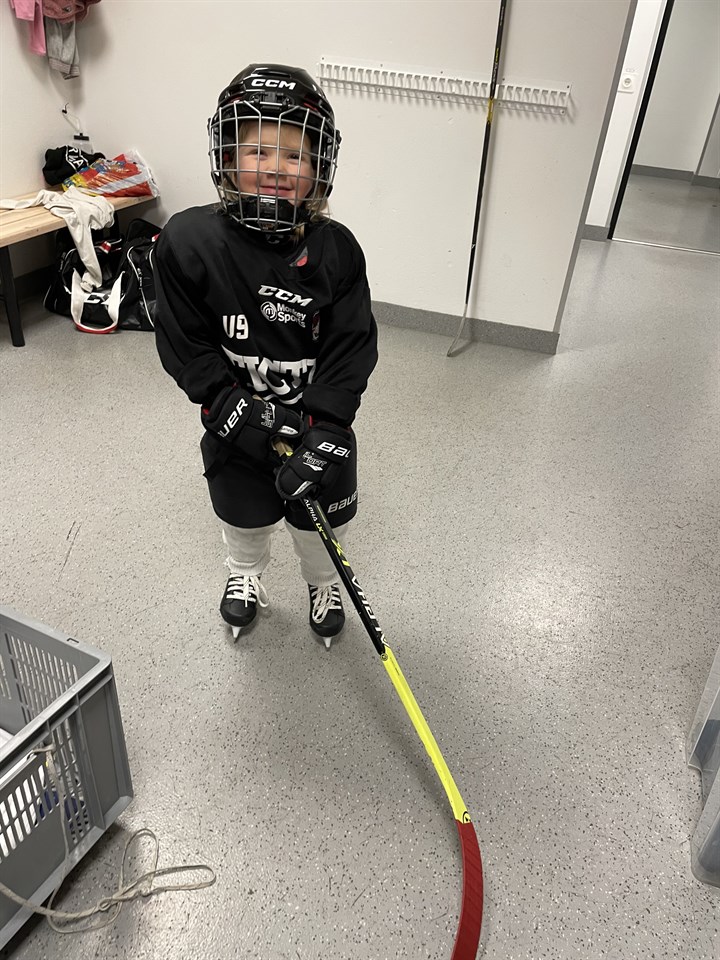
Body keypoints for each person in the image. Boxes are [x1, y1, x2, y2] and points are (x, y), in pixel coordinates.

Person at [153, 63, 378, 647]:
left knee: (318, 521)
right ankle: (244, 572)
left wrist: (329, 426)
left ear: (319, 167)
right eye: (258, 151)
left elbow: (350, 346)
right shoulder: (189, 242)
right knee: (242, 512)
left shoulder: (337, 252)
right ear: (227, 157)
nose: (277, 167)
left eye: (295, 155)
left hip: (310, 421)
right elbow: (184, 340)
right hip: (236, 416)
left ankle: (323, 582)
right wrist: (223, 401)